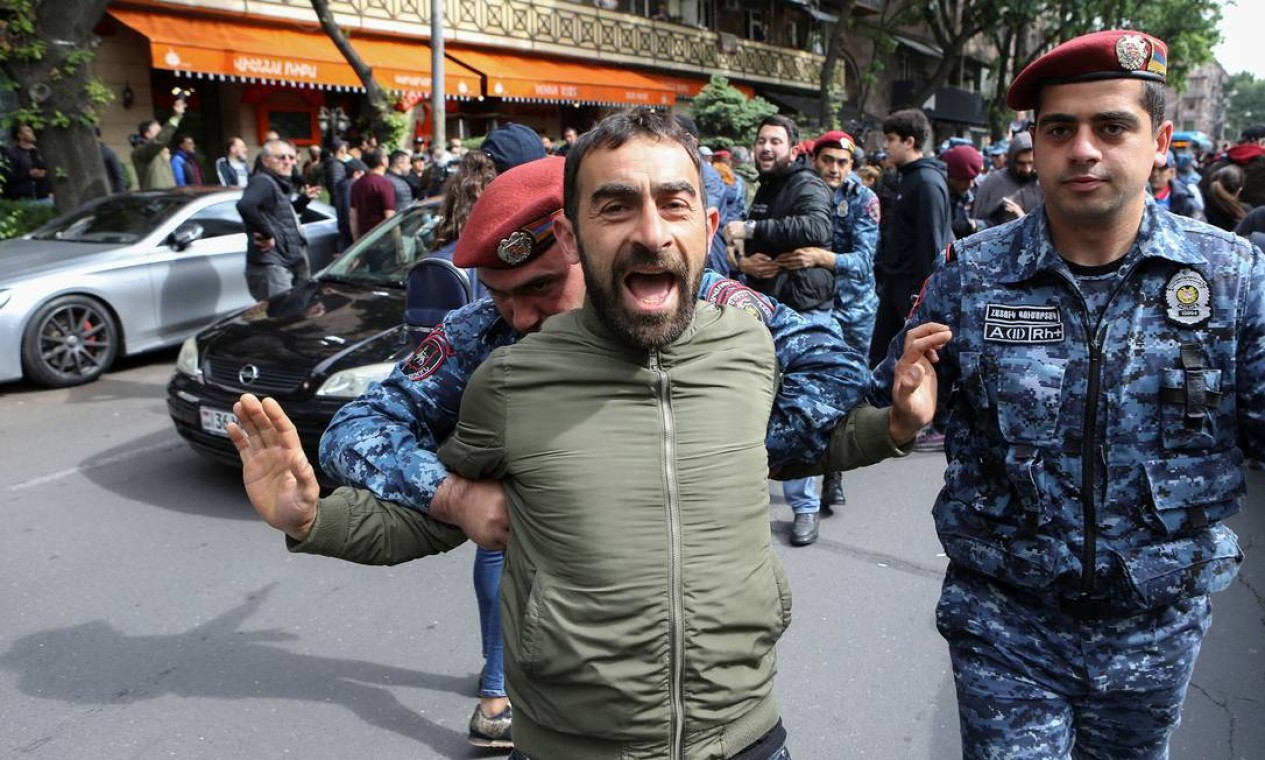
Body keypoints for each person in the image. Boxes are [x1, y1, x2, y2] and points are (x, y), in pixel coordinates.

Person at [232, 110, 948, 760]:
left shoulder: (719, 317)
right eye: (501, 296)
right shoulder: (490, 343)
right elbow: (360, 431)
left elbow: (823, 380)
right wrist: (455, 497)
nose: (518, 317)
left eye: (541, 289)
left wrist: (743, 452)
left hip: (735, 724)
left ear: (579, 252)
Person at [870, 30, 1264, 759]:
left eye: (1110, 126)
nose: (1082, 149)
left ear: (1158, 142)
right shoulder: (971, 273)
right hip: (1004, 626)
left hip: (1153, 630)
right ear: (1037, 145)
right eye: (1059, 129)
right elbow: (888, 396)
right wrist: (902, 415)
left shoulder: (1229, 277)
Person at [726, 113, 835, 545]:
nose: (766, 148)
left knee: (801, 410)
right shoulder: (768, 185)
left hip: (803, 310)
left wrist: (751, 229)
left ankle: (806, 507)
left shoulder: (806, 184)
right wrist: (743, 259)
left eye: (775, 141)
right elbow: (748, 242)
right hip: (766, 306)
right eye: (761, 141)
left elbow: (817, 228)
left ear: (793, 148)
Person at [782, 130, 880, 516]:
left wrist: (822, 258)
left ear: (852, 166)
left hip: (852, 311)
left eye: (842, 163)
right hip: (808, 305)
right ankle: (810, 464)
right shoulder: (803, 193)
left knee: (848, 393)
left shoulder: (864, 200)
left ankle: (835, 473)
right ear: (815, 161)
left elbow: (864, 262)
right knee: (807, 391)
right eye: (828, 161)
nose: (834, 169)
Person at [870, 108, 951, 371]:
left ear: (909, 142)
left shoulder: (926, 182)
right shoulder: (908, 178)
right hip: (894, 286)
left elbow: (931, 245)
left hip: (912, 293)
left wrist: (921, 300)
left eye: (891, 139)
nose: (886, 146)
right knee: (881, 361)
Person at [236, 139, 321, 300]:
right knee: (282, 316)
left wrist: (304, 199)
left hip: (288, 261)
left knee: (297, 313)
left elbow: (283, 215)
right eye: (281, 157)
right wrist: (268, 234)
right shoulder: (263, 181)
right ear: (265, 161)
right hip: (272, 265)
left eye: (291, 157)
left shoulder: (278, 184)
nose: (288, 161)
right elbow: (245, 205)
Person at [972, 130, 1043, 230]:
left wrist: (1021, 217)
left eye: (1031, 163)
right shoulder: (994, 182)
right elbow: (978, 226)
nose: (1027, 169)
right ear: (1012, 160)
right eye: (1021, 163)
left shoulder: (1043, 183)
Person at [131, 97, 186, 190]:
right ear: (147, 134)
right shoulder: (140, 151)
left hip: (168, 198)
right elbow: (159, 141)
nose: (161, 133)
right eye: (158, 131)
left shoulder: (158, 152)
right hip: (156, 200)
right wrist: (176, 117)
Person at [349, 149, 396, 240]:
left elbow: (353, 216)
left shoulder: (357, 184)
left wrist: (356, 242)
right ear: (383, 161)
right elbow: (389, 215)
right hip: (382, 238)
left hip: (365, 240)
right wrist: (398, 243)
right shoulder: (384, 183)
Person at [942, 143, 985, 239]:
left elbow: (996, 222)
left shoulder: (978, 188)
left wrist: (974, 225)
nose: (971, 184)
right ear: (951, 177)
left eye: (973, 178)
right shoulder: (938, 191)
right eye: (965, 180)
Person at [2, 123, 52, 201]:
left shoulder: (41, 152)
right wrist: (27, 174)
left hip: (46, 195)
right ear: (20, 135)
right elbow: (8, 176)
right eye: (28, 131)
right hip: (25, 197)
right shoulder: (12, 154)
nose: (32, 133)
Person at [1148, 150, 1203, 220]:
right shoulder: (1135, 196)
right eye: (1152, 168)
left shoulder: (1186, 202)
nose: (1155, 174)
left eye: (1162, 169)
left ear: (1172, 172)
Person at [334, 158, 366, 252]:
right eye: (363, 173)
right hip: (349, 237)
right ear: (356, 174)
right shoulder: (350, 187)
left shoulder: (344, 185)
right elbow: (349, 212)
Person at [97, 127, 128, 194]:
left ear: (98, 137)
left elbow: (118, 175)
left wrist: (119, 194)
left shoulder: (107, 152)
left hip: (108, 192)